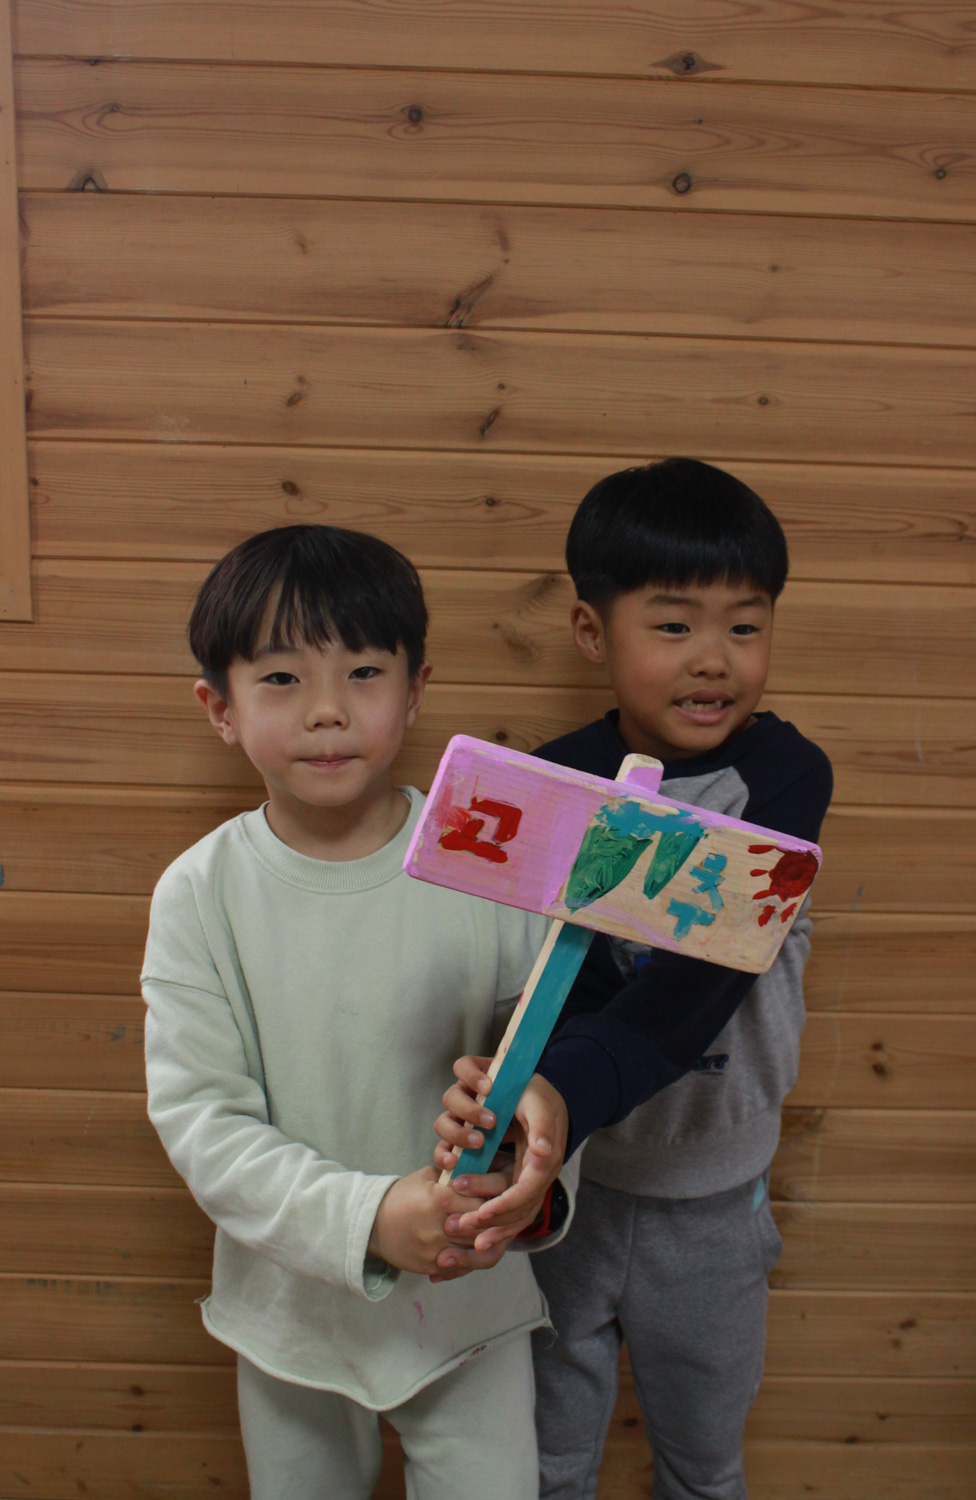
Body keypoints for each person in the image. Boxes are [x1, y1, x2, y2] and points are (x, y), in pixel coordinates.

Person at [141, 524, 569, 1500]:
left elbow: (548, 1063)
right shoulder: (200, 895)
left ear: (415, 690)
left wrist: (528, 1167)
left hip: (469, 1306)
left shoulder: (492, 860)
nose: (328, 709)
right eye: (281, 678)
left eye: (364, 672)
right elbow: (203, 1125)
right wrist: (370, 1217)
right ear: (219, 708)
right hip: (290, 1319)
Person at [434, 458, 833, 1499]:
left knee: (702, 1468)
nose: (714, 659)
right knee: (547, 1464)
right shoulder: (554, 785)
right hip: (569, 1189)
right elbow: (542, 981)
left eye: (744, 626)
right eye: (673, 625)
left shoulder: (785, 779)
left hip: (714, 1205)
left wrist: (556, 1089)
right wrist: (513, 1101)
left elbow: (693, 989)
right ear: (590, 631)